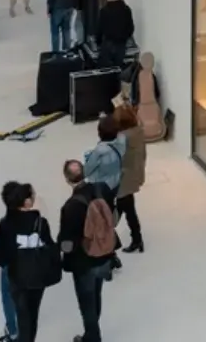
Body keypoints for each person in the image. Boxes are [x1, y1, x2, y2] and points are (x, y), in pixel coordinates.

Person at [0, 180, 58, 342]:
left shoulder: (5, 225)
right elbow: (51, 247)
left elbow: (1, 258)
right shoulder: (40, 222)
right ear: (26, 202)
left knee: (22, 314)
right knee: (33, 313)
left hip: (17, 276)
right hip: (38, 276)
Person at [57, 159, 111, 340]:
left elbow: (67, 241)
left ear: (67, 179)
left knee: (86, 299)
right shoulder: (101, 189)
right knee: (96, 294)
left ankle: (92, 335)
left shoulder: (71, 206)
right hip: (103, 252)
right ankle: (94, 328)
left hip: (84, 260)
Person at [113, 103, 147, 254]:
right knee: (128, 208)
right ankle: (137, 239)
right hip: (133, 175)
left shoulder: (122, 139)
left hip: (123, 178)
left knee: (120, 210)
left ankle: (106, 239)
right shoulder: (138, 132)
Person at [83, 114, 125, 201]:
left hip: (101, 187)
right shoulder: (122, 143)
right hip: (116, 183)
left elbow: (86, 171)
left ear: (99, 133)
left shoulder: (99, 152)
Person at [96, 0, 135, 70]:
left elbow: (99, 29)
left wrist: (97, 43)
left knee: (105, 72)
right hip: (121, 45)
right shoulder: (126, 10)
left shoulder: (104, 11)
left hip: (108, 44)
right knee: (118, 71)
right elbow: (131, 29)